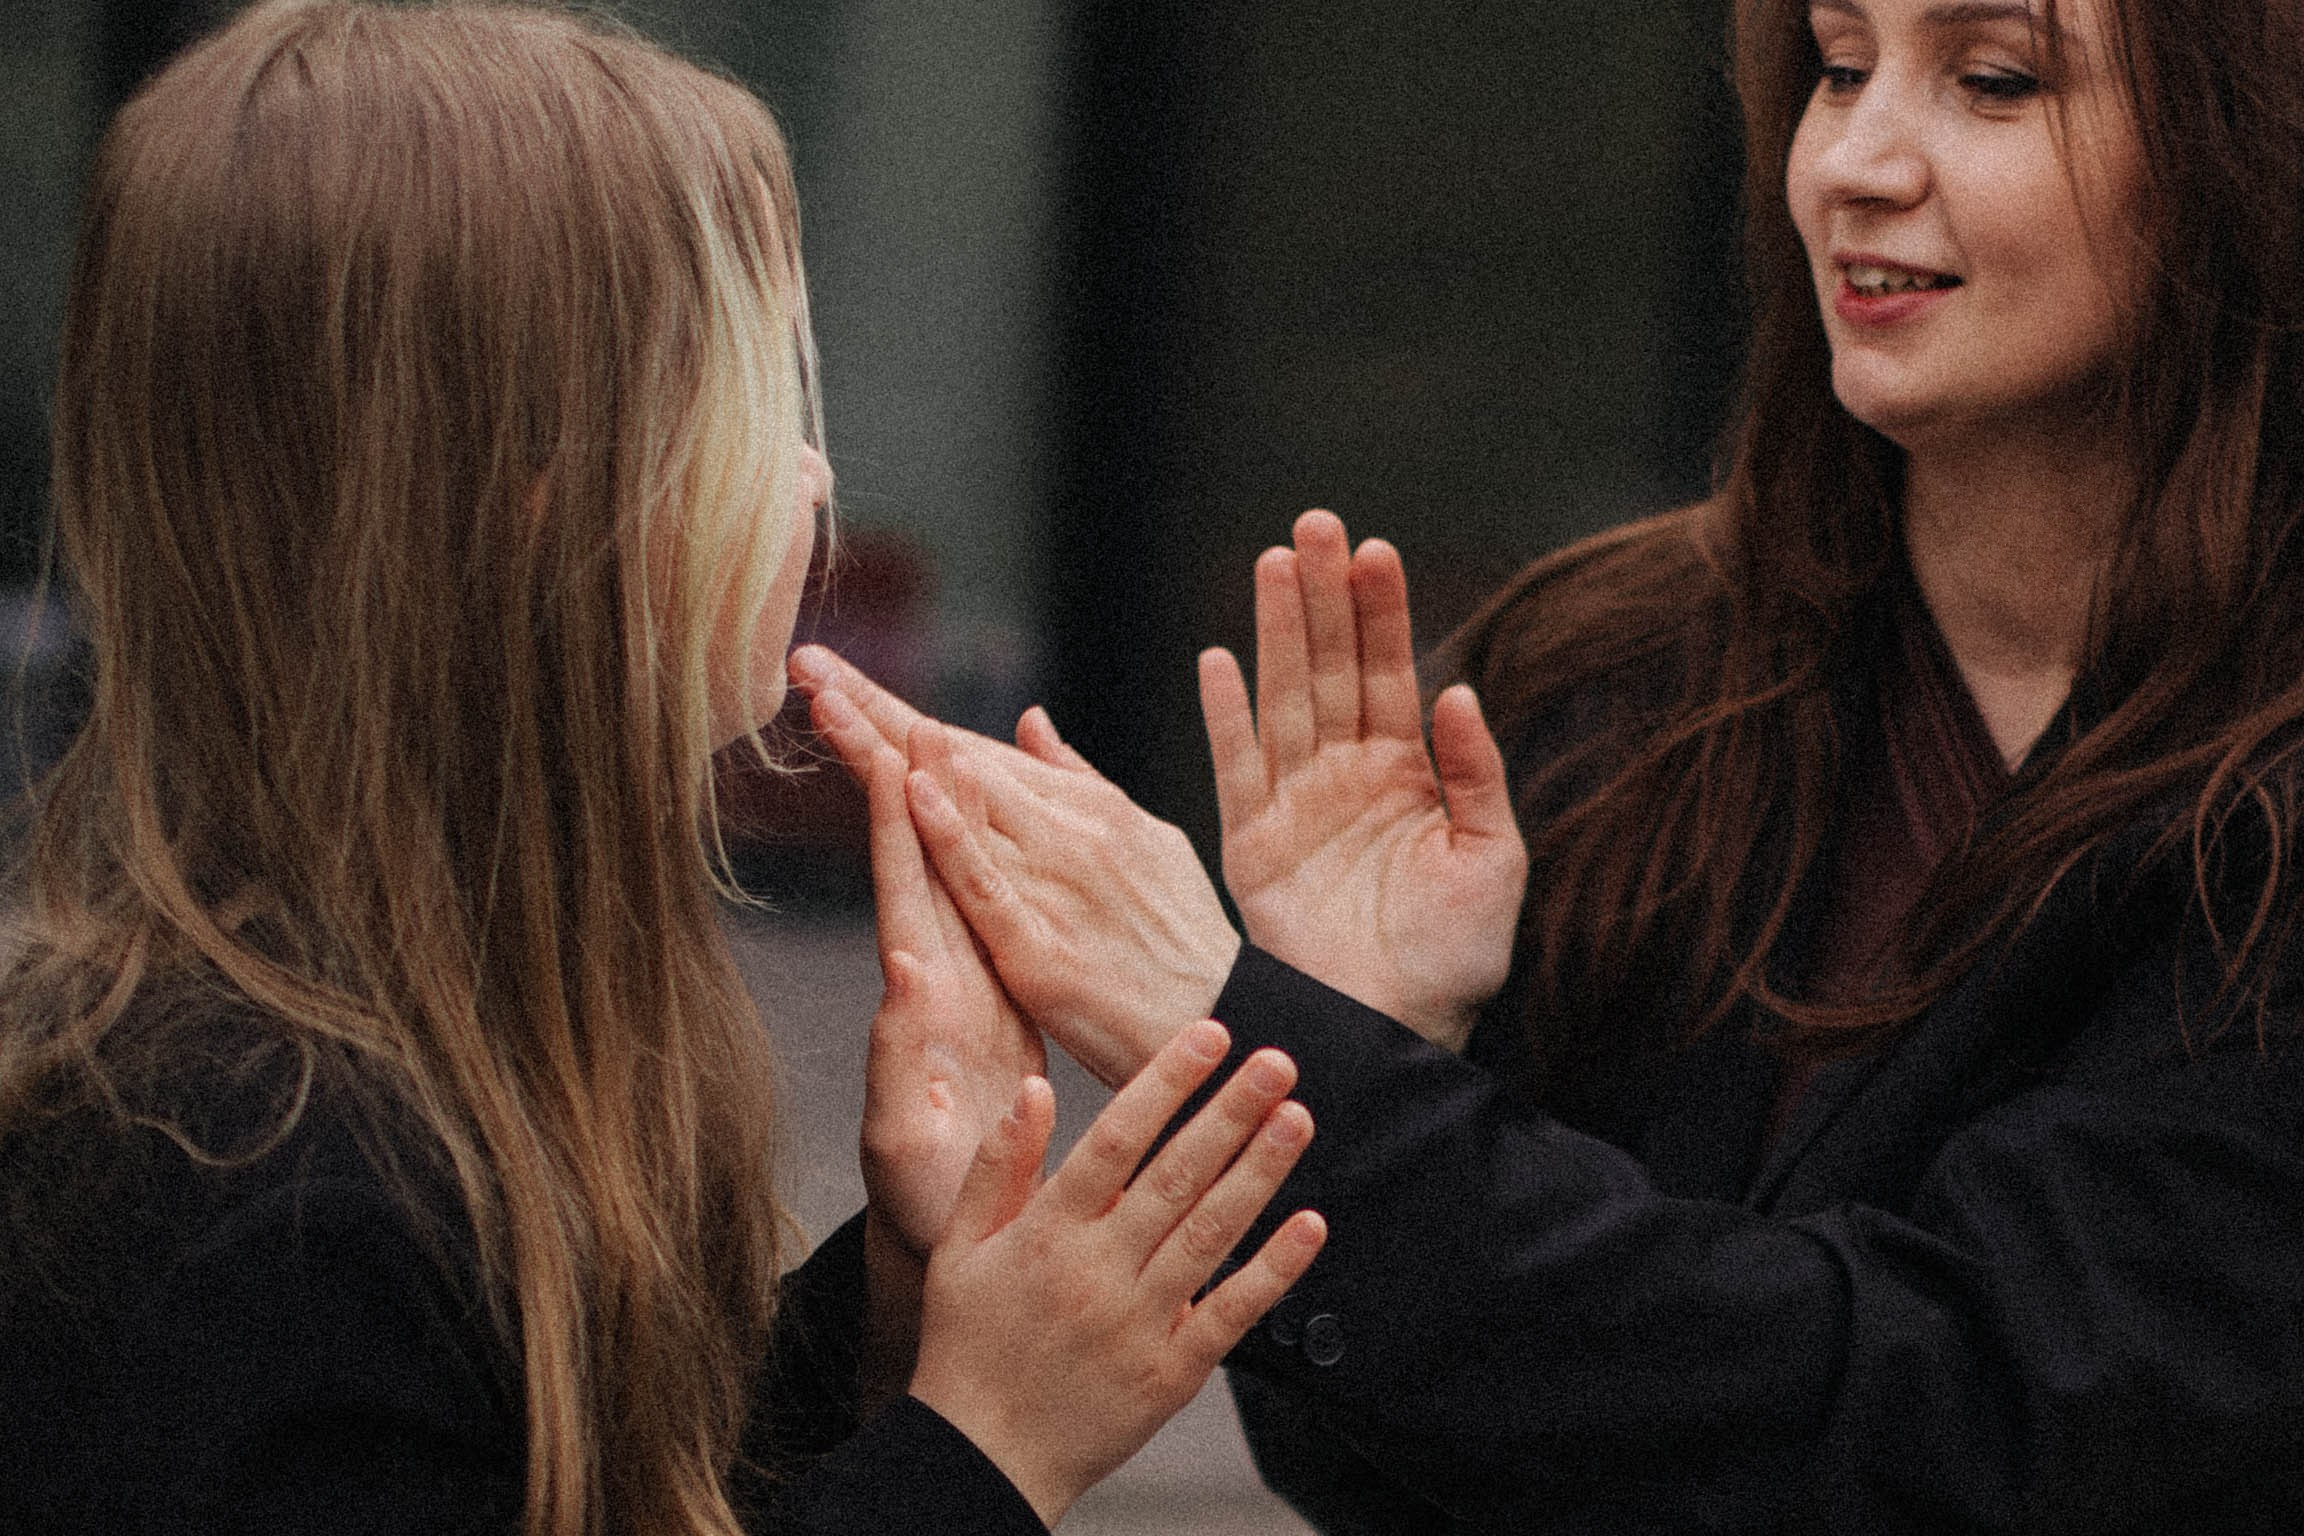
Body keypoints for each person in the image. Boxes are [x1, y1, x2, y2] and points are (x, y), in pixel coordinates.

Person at [791, 0, 2304, 1526]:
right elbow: (1390, 1468)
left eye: (1993, 82)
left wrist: (1261, 1039)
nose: (1855, 158)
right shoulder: (1618, 673)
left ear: (2246, 144)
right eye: (1839, 67)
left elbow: (1949, 1420)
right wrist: (1377, 1032)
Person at [0, 4, 1331, 1534]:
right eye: (760, 401)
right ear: (535, 502)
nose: (819, 479)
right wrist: (985, 1452)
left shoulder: (409, 1043)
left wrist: (897, 1308)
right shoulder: (264, 1186)